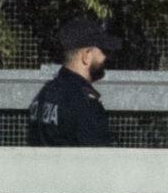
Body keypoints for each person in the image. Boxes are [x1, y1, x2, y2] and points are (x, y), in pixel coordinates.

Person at [28, 15, 121, 145]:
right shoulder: (85, 104)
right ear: (86, 56)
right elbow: (100, 160)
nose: (106, 58)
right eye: (103, 51)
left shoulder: (43, 95)